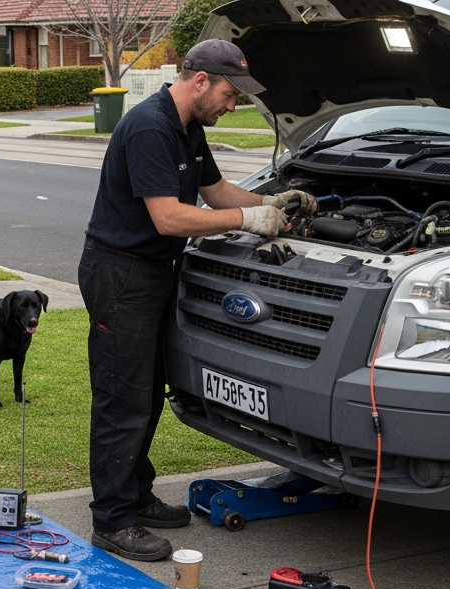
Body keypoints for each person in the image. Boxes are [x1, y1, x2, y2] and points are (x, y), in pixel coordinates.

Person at [79, 39, 317, 561]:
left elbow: (215, 191)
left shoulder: (186, 128)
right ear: (201, 80)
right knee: (122, 399)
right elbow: (169, 217)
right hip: (120, 276)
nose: (232, 107)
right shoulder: (149, 126)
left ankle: (136, 498)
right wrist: (245, 220)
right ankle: (113, 520)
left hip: (153, 272)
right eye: (231, 95)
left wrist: (271, 203)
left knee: (145, 395)